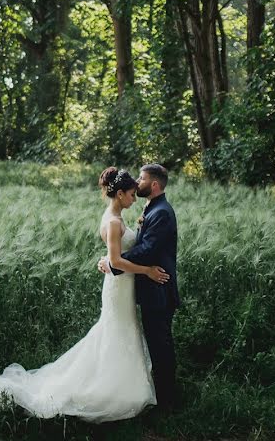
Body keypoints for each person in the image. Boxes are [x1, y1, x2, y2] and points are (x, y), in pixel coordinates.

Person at [0, 168, 169, 422]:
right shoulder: (113, 222)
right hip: (118, 285)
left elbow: (115, 258)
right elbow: (117, 261)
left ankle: (120, 386)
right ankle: (110, 390)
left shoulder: (116, 216)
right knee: (117, 331)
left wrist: (117, 257)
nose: (134, 198)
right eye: (131, 194)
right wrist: (147, 271)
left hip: (122, 285)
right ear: (119, 194)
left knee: (119, 330)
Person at [98, 163, 179, 411]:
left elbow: (146, 250)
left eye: (141, 179)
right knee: (152, 341)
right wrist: (114, 262)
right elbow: (134, 249)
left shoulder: (161, 212)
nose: (137, 182)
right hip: (139, 287)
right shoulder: (151, 208)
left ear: (153, 184)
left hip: (159, 287)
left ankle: (168, 402)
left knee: (160, 343)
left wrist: (114, 265)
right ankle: (144, 392)